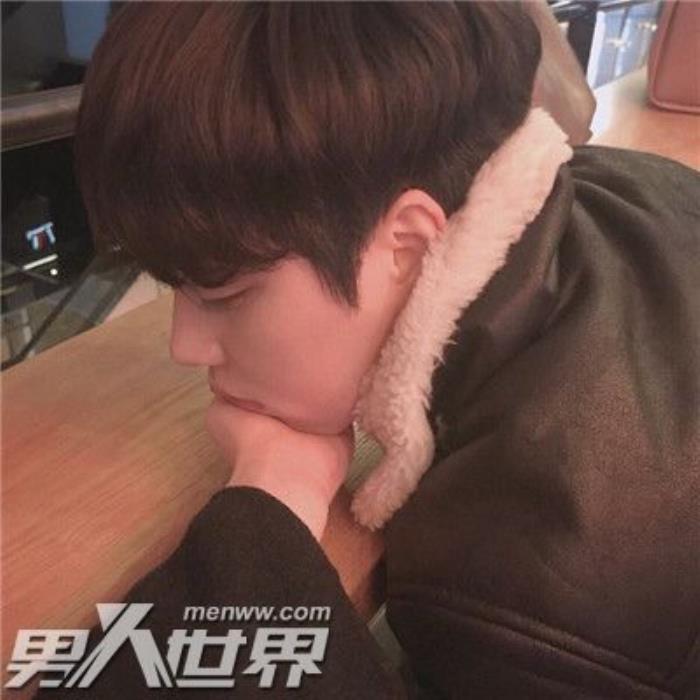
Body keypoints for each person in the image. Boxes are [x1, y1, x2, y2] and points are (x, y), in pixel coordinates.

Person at [34, 2, 699, 698]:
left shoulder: (517, 599)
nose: (184, 346)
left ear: (407, 243)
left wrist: (271, 499)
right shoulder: (631, 183)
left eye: (225, 294)